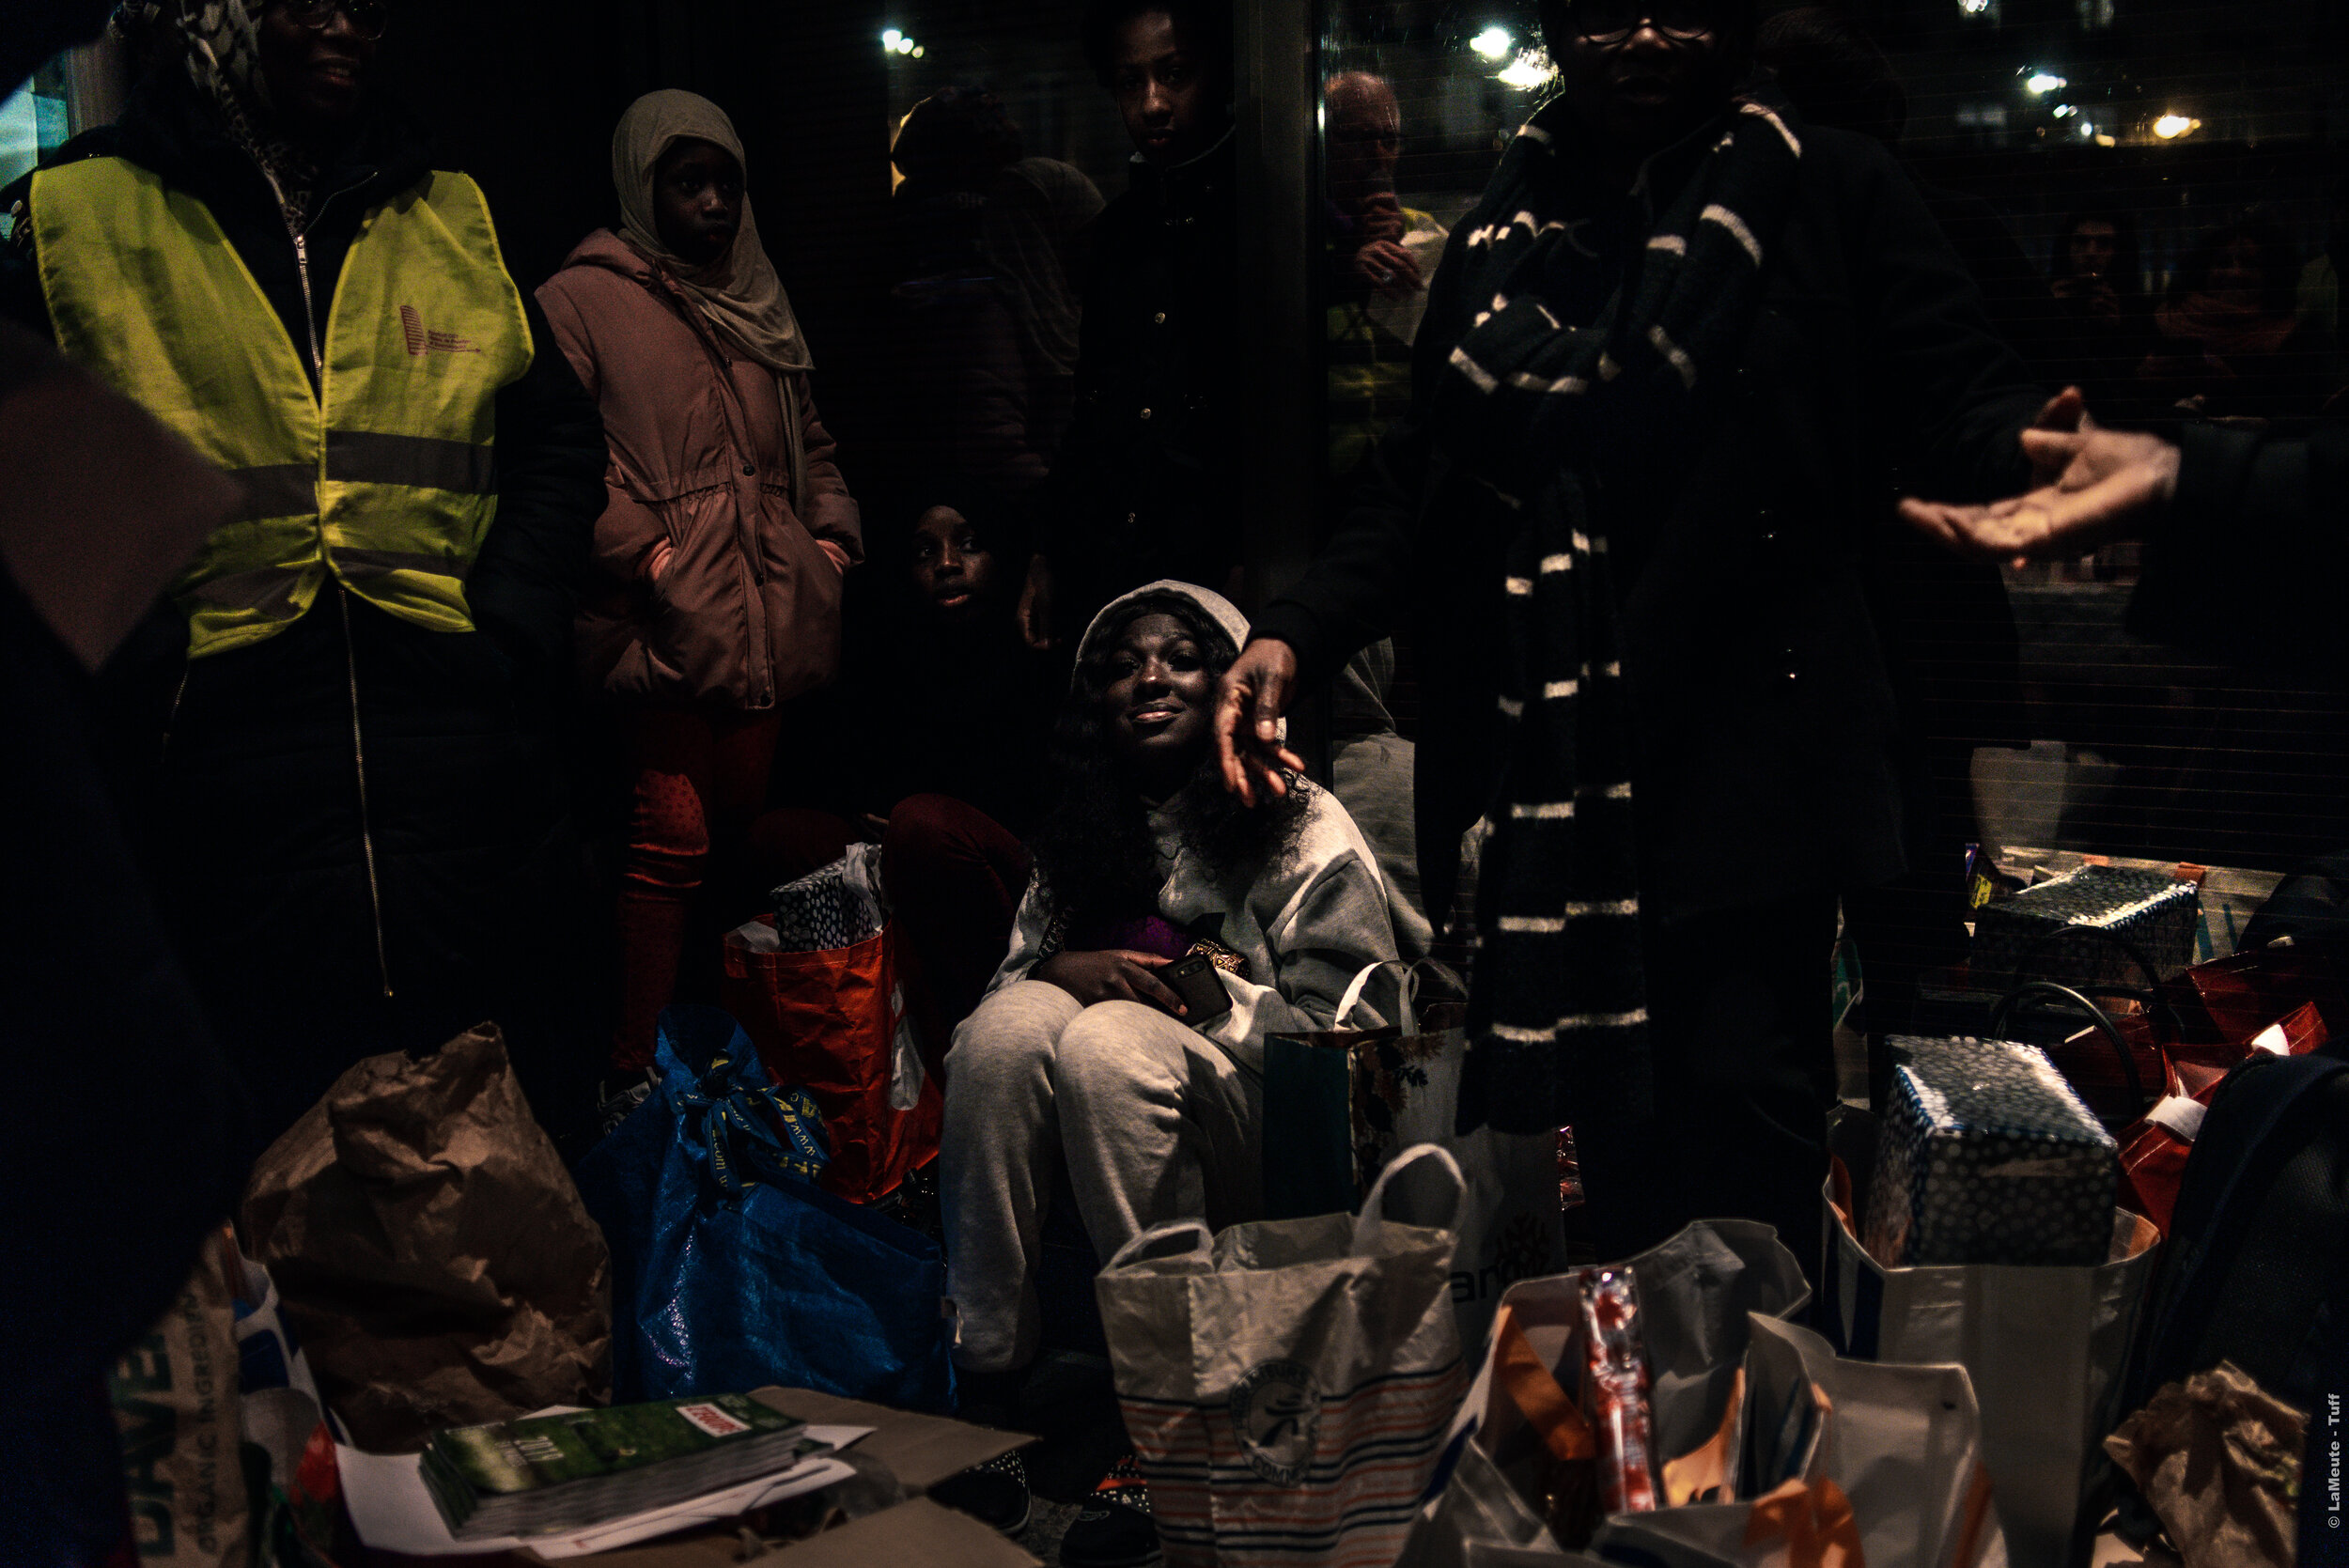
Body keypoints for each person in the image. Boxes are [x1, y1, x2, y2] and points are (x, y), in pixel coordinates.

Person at [1214, 0, 2066, 1266]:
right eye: (1610, 12)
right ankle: (1638, 1440)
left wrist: (2042, 452)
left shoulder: (1821, 186)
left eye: (1683, 6)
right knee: (1611, 1146)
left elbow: (1957, 389)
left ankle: (1746, 1440)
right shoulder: (1508, 230)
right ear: (1561, 28)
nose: (1650, 39)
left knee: (1747, 1137)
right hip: (1561, 773)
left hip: (1752, 761)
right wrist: (1291, 632)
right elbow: (1423, 486)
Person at [5, 0, 608, 1152]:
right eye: (308, 3)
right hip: (221, 768)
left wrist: (510, 629)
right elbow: (20, 466)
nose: (348, 31)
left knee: (478, 1150)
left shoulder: (446, 208)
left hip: (453, 758)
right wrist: (150, 667)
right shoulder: (81, 209)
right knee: (272, 1135)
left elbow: (558, 443)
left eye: (372, 10)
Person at [941, 580, 1399, 1562]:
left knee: (1109, 1042)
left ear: (1231, 683)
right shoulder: (1078, 833)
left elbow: (1352, 1045)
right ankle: (990, 1388)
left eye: (1179, 658)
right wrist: (1064, 968)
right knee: (1003, 1031)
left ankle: (1180, 1427)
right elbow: (1016, 992)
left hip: (1281, 1151)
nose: (1148, 678)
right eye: (1119, 666)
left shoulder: (1296, 817)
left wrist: (1194, 992)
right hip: (1109, 1145)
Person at [536, 90, 863, 1105]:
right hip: (669, 617)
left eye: (726, 180)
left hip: (764, 606)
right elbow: (562, 456)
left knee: (733, 831)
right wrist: (651, 560)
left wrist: (830, 546)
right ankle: (631, 1068)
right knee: (669, 835)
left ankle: (720, 1050)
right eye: (688, 181)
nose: (714, 202)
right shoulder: (578, 300)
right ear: (643, 186)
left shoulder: (754, 295)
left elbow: (810, 442)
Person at [1017, 0, 1240, 648]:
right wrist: (1047, 554)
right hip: (1113, 558)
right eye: (1129, 82)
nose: (1152, 104)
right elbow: (1094, 407)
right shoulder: (1119, 230)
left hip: (1219, 565)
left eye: (1175, 74)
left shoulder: (1263, 207)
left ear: (1219, 72)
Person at [826, 493, 1058, 1071]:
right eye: (926, 550)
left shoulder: (1037, 653)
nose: (948, 564)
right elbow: (863, 766)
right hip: (905, 867)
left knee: (924, 828)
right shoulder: (895, 657)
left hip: (1025, 885)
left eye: (970, 545)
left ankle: (984, 1049)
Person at [2138, 217, 2321, 423]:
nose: (2234, 273)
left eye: (2250, 265)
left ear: (2273, 275)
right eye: (2223, 263)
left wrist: (2232, 386)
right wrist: (2142, 378)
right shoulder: (2159, 320)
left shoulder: (2296, 336)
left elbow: (2296, 415)